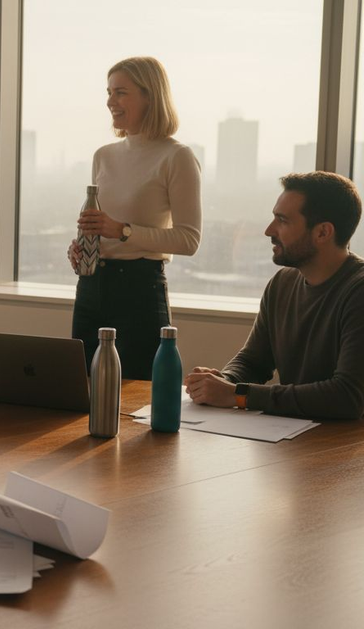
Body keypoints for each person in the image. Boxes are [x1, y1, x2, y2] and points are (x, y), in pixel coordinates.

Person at [185, 172, 364, 420]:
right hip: (293, 441)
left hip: (344, 449)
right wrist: (222, 381)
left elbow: (346, 397)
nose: (269, 230)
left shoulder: (358, 292)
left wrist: (238, 394)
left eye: (282, 220)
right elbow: (253, 362)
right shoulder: (282, 283)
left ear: (322, 233)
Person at [68, 57, 201, 379]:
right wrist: (83, 247)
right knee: (79, 390)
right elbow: (98, 226)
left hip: (140, 289)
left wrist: (122, 230)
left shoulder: (176, 156)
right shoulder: (104, 155)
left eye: (121, 93)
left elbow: (189, 239)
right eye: (109, 92)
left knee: (136, 399)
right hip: (91, 285)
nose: (110, 102)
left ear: (149, 96)